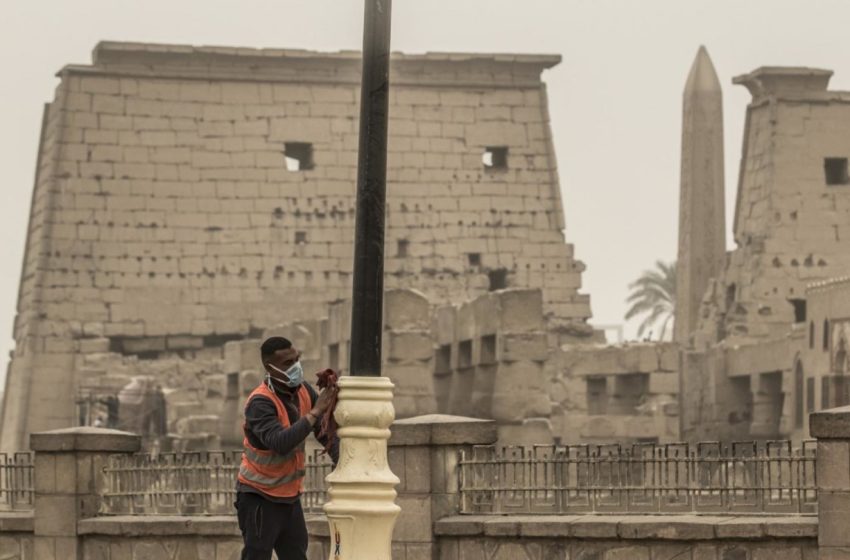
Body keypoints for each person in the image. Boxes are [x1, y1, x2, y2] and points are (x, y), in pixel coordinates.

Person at [235, 336, 339, 560]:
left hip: (289, 497)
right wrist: (315, 411)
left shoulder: (303, 391)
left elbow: (322, 431)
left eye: (297, 360)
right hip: (259, 497)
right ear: (269, 368)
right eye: (287, 363)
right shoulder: (260, 403)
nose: (295, 367)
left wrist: (343, 459)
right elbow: (280, 443)